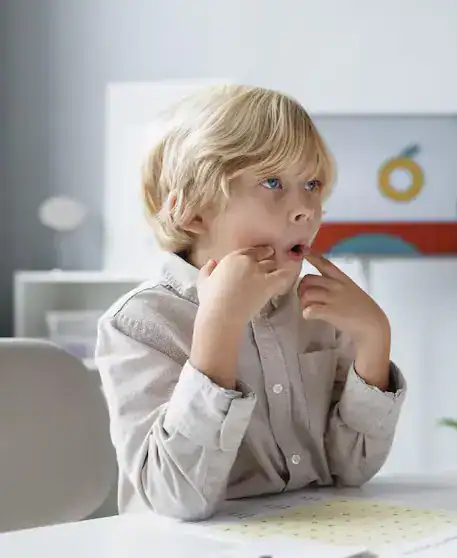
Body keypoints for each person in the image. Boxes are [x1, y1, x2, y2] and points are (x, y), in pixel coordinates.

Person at [95, 84, 406, 520]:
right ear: (193, 211)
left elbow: (351, 470)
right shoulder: (140, 323)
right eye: (273, 182)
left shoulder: (318, 309)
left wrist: (375, 340)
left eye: (312, 184)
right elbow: (174, 496)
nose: (305, 210)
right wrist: (220, 325)